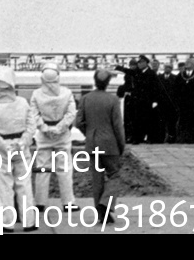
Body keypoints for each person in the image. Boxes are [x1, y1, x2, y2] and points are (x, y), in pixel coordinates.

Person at [0, 66, 36, 231]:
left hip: (1, 150)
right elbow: (31, 127)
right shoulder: (23, 103)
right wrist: (22, 143)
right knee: (24, 185)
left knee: (5, 186)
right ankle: (29, 223)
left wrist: (4, 146)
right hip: (22, 148)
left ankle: (7, 224)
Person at [74, 67, 125, 222]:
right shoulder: (113, 100)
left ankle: (101, 215)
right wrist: (121, 145)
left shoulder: (85, 98)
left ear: (95, 81)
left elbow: (79, 122)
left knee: (97, 179)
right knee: (115, 175)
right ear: (108, 83)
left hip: (92, 144)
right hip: (110, 144)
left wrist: (88, 134)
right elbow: (118, 126)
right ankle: (106, 203)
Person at [27, 63, 77, 210]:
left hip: (43, 135)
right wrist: (59, 128)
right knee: (65, 169)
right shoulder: (67, 93)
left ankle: (40, 203)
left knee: (42, 168)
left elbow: (33, 115)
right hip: (62, 135)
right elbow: (71, 114)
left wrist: (45, 128)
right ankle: (68, 203)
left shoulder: (36, 94)